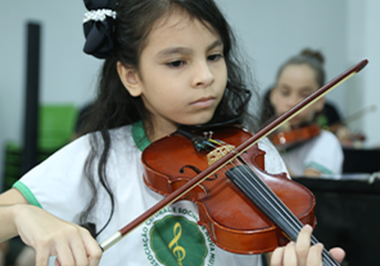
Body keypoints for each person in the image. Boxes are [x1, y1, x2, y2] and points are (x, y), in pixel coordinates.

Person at [0, 1, 345, 265]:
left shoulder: (255, 152)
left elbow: (274, 251)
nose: (205, 76)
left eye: (214, 55)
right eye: (177, 62)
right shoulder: (99, 154)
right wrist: (22, 214)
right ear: (131, 76)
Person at [263, 49, 344, 178]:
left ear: (319, 101)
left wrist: (272, 162)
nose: (293, 102)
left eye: (304, 95)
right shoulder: (266, 142)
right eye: (285, 92)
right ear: (273, 95)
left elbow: (308, 187)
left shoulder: (326, 142)